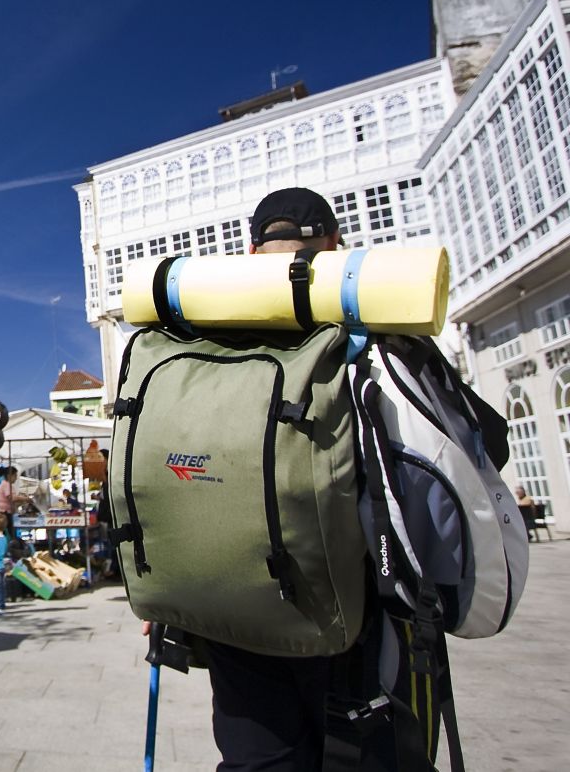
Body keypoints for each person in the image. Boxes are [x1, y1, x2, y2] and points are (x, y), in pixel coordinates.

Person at [148, 188, 388, 772]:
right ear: (335, 243)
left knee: (258, 760)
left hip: (232, 605)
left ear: (252, 251)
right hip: (346, 606)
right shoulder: (362, 333)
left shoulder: (207, 341)